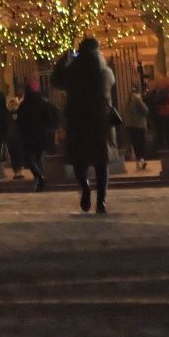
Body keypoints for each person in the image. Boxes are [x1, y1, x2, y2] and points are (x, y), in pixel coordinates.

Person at [59, 38, 116, 214]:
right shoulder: (105, 71)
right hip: (99, 119)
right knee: (101, 161)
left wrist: (65, 58)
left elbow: (56, 80)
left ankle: (84, 186)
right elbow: (111, 83)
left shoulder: (72, 72)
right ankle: (101, 201)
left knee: (79, 159)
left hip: (77, 119)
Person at [15, 82, 60, 192]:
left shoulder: (24, 105)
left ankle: (38, 178)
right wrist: (51, 128)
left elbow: (20, 122)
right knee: (39, 158)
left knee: (30, 159)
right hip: (43, 135)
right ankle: (39, 179)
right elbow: (54, 116)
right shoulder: (44, 103)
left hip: (29, 136)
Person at [146, 72, 169, 153]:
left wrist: (151, 92)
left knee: (165, 135)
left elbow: (155, 101)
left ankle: (166, 151)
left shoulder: (163, 92)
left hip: (164, 116)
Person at [124, 76, 151, 169]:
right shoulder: (137, 98)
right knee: (141, 144)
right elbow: (146, 110)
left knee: (136, 144)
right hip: (139, 124)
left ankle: (139, 161)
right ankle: (141, 160)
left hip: (131, 125)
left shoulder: (129, 99)